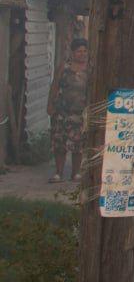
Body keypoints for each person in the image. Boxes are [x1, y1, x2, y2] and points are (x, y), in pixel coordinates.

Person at [47, 37, 88, 183]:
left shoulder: (89, 69)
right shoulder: (64, 68)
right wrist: (50, 105)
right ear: (72, 52)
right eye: (79, 51)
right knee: (60, 143)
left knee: (78, 146)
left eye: (84, 51)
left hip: (80, 113)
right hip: (62, 112)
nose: (82, 54)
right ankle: (58, 173)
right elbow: (55, 86)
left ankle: (76, 173)